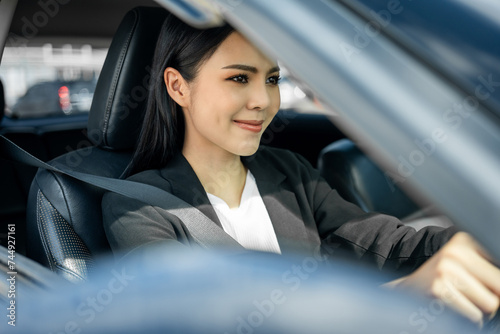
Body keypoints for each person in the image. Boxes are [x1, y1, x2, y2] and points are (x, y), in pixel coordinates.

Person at [102, 13, 500, 327]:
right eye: (239, 78)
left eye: (272, 79)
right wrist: (400, 298)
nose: (263, 99)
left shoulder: (288, 172)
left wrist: (479, 243)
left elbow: (386, 243)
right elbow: (204, 316)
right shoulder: (135, 207)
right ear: (178, 87)